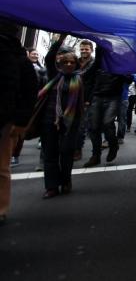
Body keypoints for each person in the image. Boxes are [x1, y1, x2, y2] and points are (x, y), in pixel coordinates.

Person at [0, 20, 38, 223]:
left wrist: (21, 120)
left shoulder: (17, 58)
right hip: (8, 117)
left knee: (1, 167)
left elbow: (29, 90)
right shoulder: (19, 58)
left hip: (6, 118)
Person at [38, 45, 86, 198]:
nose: (69, 65)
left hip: (70, 122)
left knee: (66, 153)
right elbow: (50, 57)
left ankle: (66, 181)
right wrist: (60, 40)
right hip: (49, 120)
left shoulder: (79, 78)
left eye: (72, 62)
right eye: (66, 62)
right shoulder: (54, 75)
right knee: (50, 154)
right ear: (60, 64)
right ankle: (51, 187)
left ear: (76, 65)